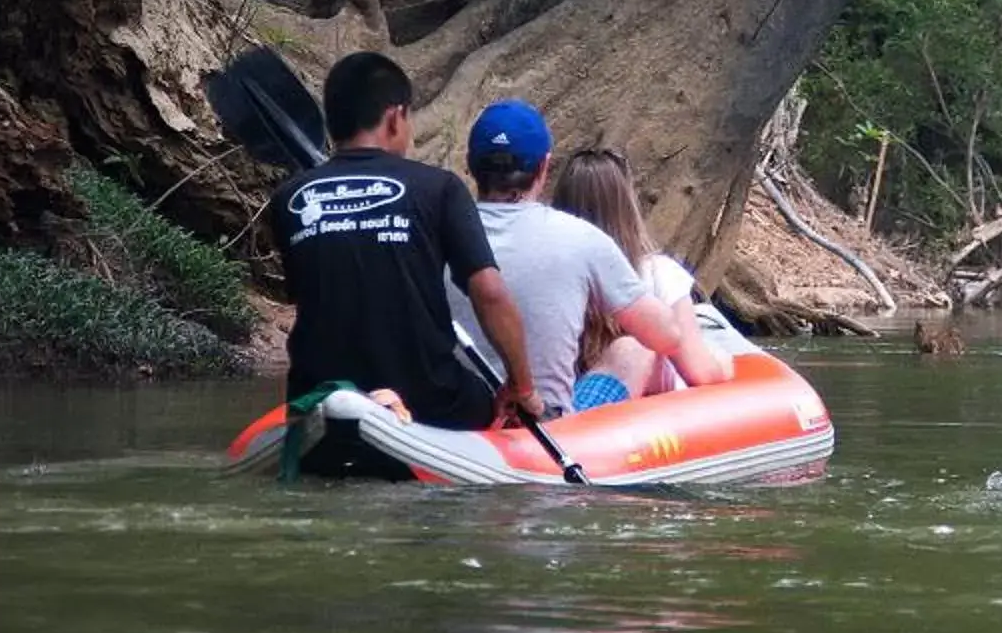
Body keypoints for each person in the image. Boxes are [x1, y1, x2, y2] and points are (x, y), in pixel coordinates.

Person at [271, 51, 542, 477]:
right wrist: (522, 387)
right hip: (429, 405)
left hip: (319, 397)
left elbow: (309, 294)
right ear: (396, 117)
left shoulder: (289, 198)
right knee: (490, 399)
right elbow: (489, 292)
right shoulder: (439, 189)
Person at [453, 101, 732, 417]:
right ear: (543, 167)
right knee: (634, 349)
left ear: (471, 165)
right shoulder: (582, 238)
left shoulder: (432, 234)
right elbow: (666, 337)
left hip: (451, 419)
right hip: (544, 425)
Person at [549, 146, 701, 404]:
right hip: (609, 423)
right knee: (634, 352)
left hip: (569, 408)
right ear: (627, 206)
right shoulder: (659, 274)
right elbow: (702, 370)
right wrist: (729, 363)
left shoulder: (550, 274)